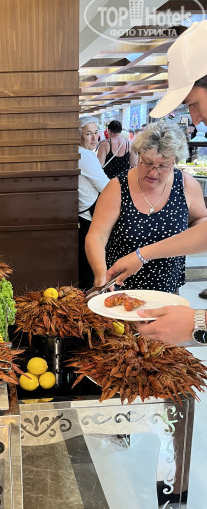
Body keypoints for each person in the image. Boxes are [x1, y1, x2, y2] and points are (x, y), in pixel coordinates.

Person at [106, 20, 207, 345]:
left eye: (193, 103)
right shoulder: (119, 186)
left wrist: (199, 322)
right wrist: (141, 256)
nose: (195, 118)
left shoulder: (185, 184)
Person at [85, 121, 207, 294]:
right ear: (138, 155)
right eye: (147, 163)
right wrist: (100, 273)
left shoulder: (186, 185)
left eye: (163, 166)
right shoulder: (118, 187)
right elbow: (96, 236)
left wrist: (188, 235)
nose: (153, 172)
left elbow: (200, 219)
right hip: (121, 290)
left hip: (167, 291)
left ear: (174, 162)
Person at [78, 116, 110, 289]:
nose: (94, 138)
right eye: (88, 134)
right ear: (79, 136)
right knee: (91, 268)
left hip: (83, 215)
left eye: (96, 133)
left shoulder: (82, 153)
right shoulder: (85, 156)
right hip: (89, 218)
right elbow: (106, 187)